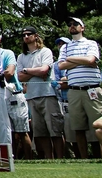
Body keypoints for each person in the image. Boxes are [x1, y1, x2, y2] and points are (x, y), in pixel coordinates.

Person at [58, 16, 102, 159]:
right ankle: (84, 159)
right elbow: (61, 65)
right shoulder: (65, 47)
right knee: (78, 127)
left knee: (98, 126)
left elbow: (91, 60)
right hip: (74, 90)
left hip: (92, 89)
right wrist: (82, 60)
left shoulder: (91, 43)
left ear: (82, 28)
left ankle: (100, 158)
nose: (72, 26)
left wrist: (70, 59)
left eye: (75, 24)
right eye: (70, 24)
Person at [16, 26, 63, 159]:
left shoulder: (45, 51)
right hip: (31, 96)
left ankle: (60, 158)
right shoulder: (21, 57)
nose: (26, 37)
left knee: (55, 130)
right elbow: (20, 77)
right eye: (23, 34)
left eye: (29, 34)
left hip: (48, 94)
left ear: (36, 36)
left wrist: (27, 71)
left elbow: (44, 71)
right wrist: (35, 71)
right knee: (40, 132)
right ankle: (49, 158)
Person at [0, 30, 32, 160]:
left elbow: (10, 72)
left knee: (21, 131)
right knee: (5, 131)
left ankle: (30, 161)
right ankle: (10, 159)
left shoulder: (7, 53)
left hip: (14, 94)